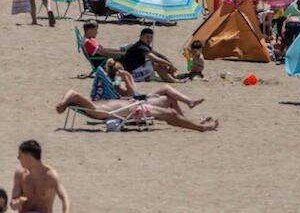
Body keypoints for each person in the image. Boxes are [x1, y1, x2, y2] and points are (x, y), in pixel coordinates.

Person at [53, 91, 218, 132]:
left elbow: (73, 94)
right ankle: (201, 127)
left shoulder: (93, 106)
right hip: (133, 110)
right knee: (171, 115)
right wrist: (63, 102)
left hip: (131, 106)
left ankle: (196, 123)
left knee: (168, 104)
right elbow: (73, 92)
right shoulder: (93, 108)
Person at [11, 141, 69, 213]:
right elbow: (13, 201)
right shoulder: (19, 174)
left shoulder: (51, 176)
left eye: (20, 155)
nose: (18, 158)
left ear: (29, 157)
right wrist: (15, 204)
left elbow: (65, 198)